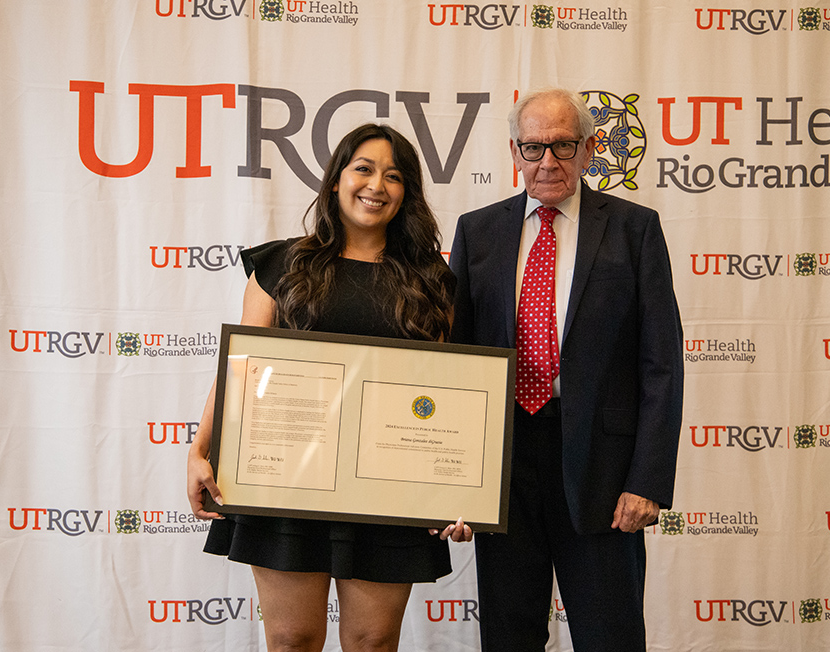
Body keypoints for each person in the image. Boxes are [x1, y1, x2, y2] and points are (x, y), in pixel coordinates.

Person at [187, 123, 471, 652]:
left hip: (390, 483)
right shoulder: (283, 264)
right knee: (292, 639)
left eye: (393, 176)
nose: (376, 185)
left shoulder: (432, 278)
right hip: (285, 481)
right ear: (337, 179)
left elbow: (448, 393)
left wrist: (459, 486)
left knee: (372, 641)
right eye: (363, 169)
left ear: (407, 191)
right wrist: (200, 449)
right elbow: (240, 367)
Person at [449, 88, 684, 651]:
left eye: (562, 145)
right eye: (533, 148)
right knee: (509, 635)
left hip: (602, 473)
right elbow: (455, 364)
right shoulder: (477, 232)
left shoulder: (635, 229)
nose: (547, 162)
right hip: (502, 468)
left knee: (611, 635)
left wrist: (646, 481)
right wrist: (452, 481)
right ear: (514, 152)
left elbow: (661, 365)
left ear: (589, 150)